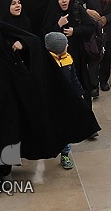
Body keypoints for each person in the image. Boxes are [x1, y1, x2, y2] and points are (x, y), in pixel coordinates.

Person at [0, 19, 100, 199]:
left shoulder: (7, 51)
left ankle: (4, 171)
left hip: (8, 109)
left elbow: (34, 43)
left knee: (7, 140)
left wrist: (22, 45)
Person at [44, 32, 82, 170]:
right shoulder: (46, 63)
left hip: (66, 102)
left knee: (66, 128)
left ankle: (65, 153)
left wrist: (79, 92)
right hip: (51, 102)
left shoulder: (68, 59)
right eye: (65, 44)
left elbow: (74, 78)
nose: (68, 45)